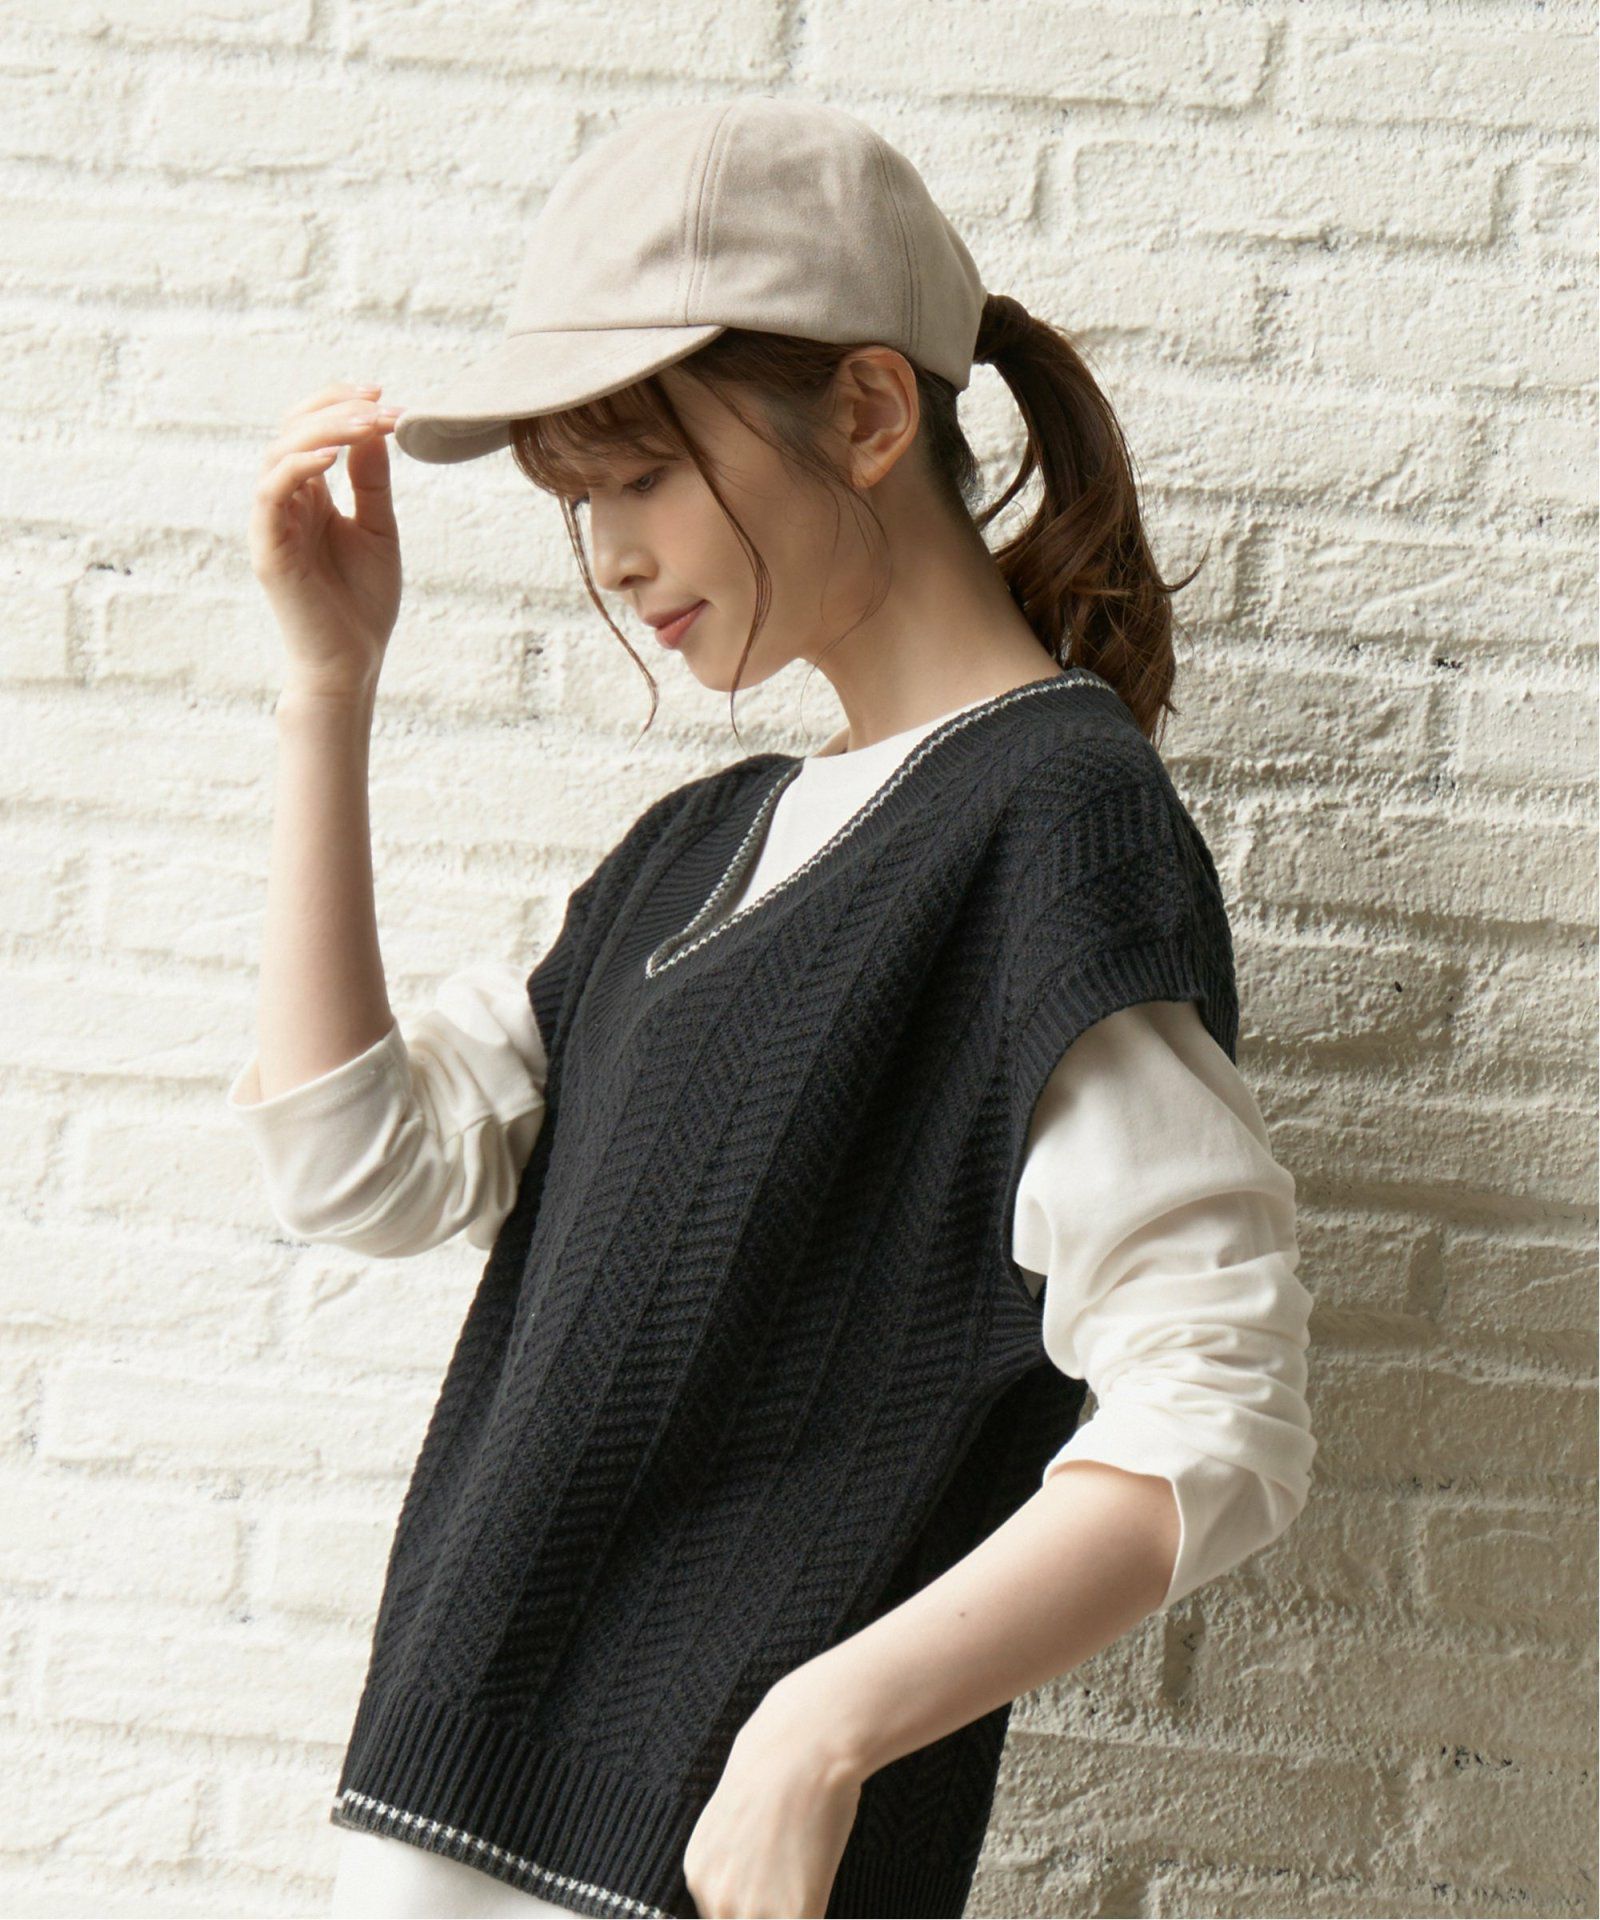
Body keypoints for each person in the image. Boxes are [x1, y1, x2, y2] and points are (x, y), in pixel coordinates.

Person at [230, 95, 1315, 1920]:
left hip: (685, 1868)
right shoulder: (698, 850)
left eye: (644, 477)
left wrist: (820, 1732)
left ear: (873, 413)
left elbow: (1220, 1409)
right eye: (584, 503)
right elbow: (360, 1169)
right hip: (457, 1836)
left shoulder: (1050, 823)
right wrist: (326, 692)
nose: (613, 557)